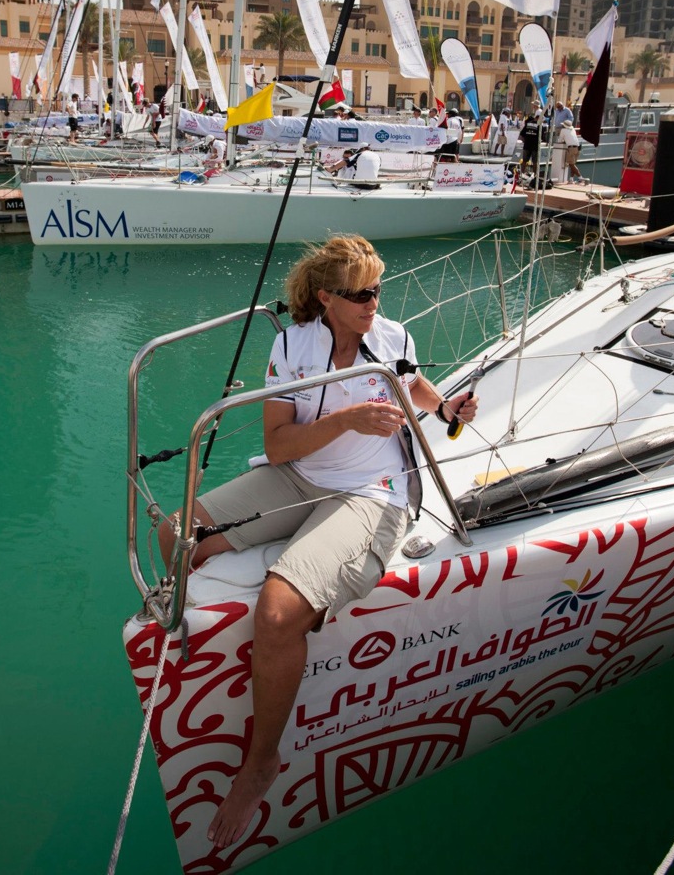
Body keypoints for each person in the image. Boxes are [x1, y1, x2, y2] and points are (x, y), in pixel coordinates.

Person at [159, 236, 478, 849]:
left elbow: (414, 388)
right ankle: (192, 644)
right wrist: (346, 421)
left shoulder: (394, 336)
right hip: (298, 473)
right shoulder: (290, 345)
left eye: (377, 289)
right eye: (359, 293)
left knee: (277, 612)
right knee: (175, 533)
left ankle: (262, 761)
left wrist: (449, 411)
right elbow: (278, 444)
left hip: (373, 492)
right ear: (326, 297)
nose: (372, 303)